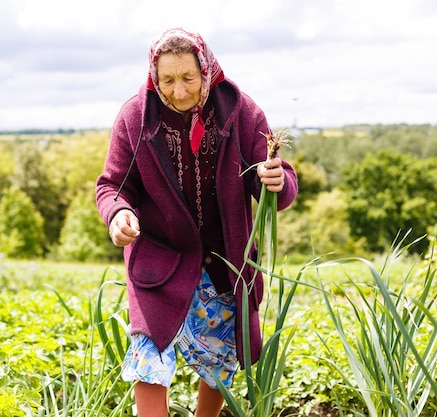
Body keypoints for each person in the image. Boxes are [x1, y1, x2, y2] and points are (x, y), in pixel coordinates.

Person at [95, 27, 298, 417]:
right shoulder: (136, 117)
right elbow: (112, 186)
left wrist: (277, 181)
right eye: (167, 80)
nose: (179, 90)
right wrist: (119, 213)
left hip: (224, 259)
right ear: (155, 77)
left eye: (188, 78)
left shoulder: (241, 112)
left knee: (220, 355)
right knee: (149, 354)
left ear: (206, 71)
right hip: (159, 255)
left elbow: (278, 182)